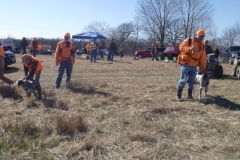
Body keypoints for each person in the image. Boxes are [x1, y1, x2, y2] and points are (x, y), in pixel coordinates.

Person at [176, 29, 206, 101]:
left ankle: (189, 96)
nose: (201, 38)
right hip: (186, 64)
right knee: (183, 79)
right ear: (196, 35)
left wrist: (203, 68)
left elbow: (203, 57)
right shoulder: (189, 40)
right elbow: (181, 47)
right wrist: (189, 48)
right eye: (200, 36)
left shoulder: (202, 45)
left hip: (194, 65)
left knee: (191, 80)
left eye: (203, 36)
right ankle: (178, 95)